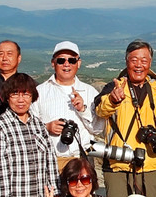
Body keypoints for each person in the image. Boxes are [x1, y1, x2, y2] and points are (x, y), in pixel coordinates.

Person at [94, 39, 156, 197]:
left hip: (151, 164)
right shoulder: (114, 87)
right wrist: (113, 99)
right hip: (118, 164)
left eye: (144, 60)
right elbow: (100, 110)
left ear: (150, 63)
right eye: (134, 59)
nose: (139, 65)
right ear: (126, 61)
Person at [31, 41, 104, 171]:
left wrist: (83, 110)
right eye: (61, 60)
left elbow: (98, 129)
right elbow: (29, 128)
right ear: (53, 63)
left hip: (83, 158)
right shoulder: (39, 92)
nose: (66, 64)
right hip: (52, 161)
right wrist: (46, 128)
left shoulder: (90, 92)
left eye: (72, 60)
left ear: (79, 63)